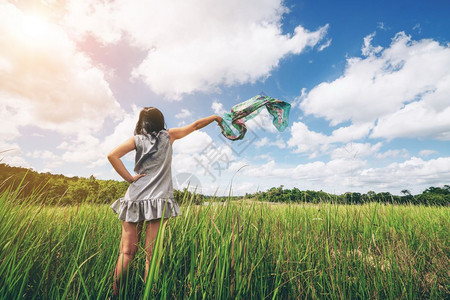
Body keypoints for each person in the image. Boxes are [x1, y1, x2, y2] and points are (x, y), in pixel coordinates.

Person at [107, 106, 221, 295]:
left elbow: (112, 155)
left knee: (126, 253)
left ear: (142, 123)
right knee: (152, 256)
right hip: (158, 201)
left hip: (134, 197)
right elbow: (196, 125)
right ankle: (148, 294)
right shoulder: (169, 136)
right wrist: (215, 117)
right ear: (160, 121)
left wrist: (130, 178)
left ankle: (116, 294)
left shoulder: (137, 140)